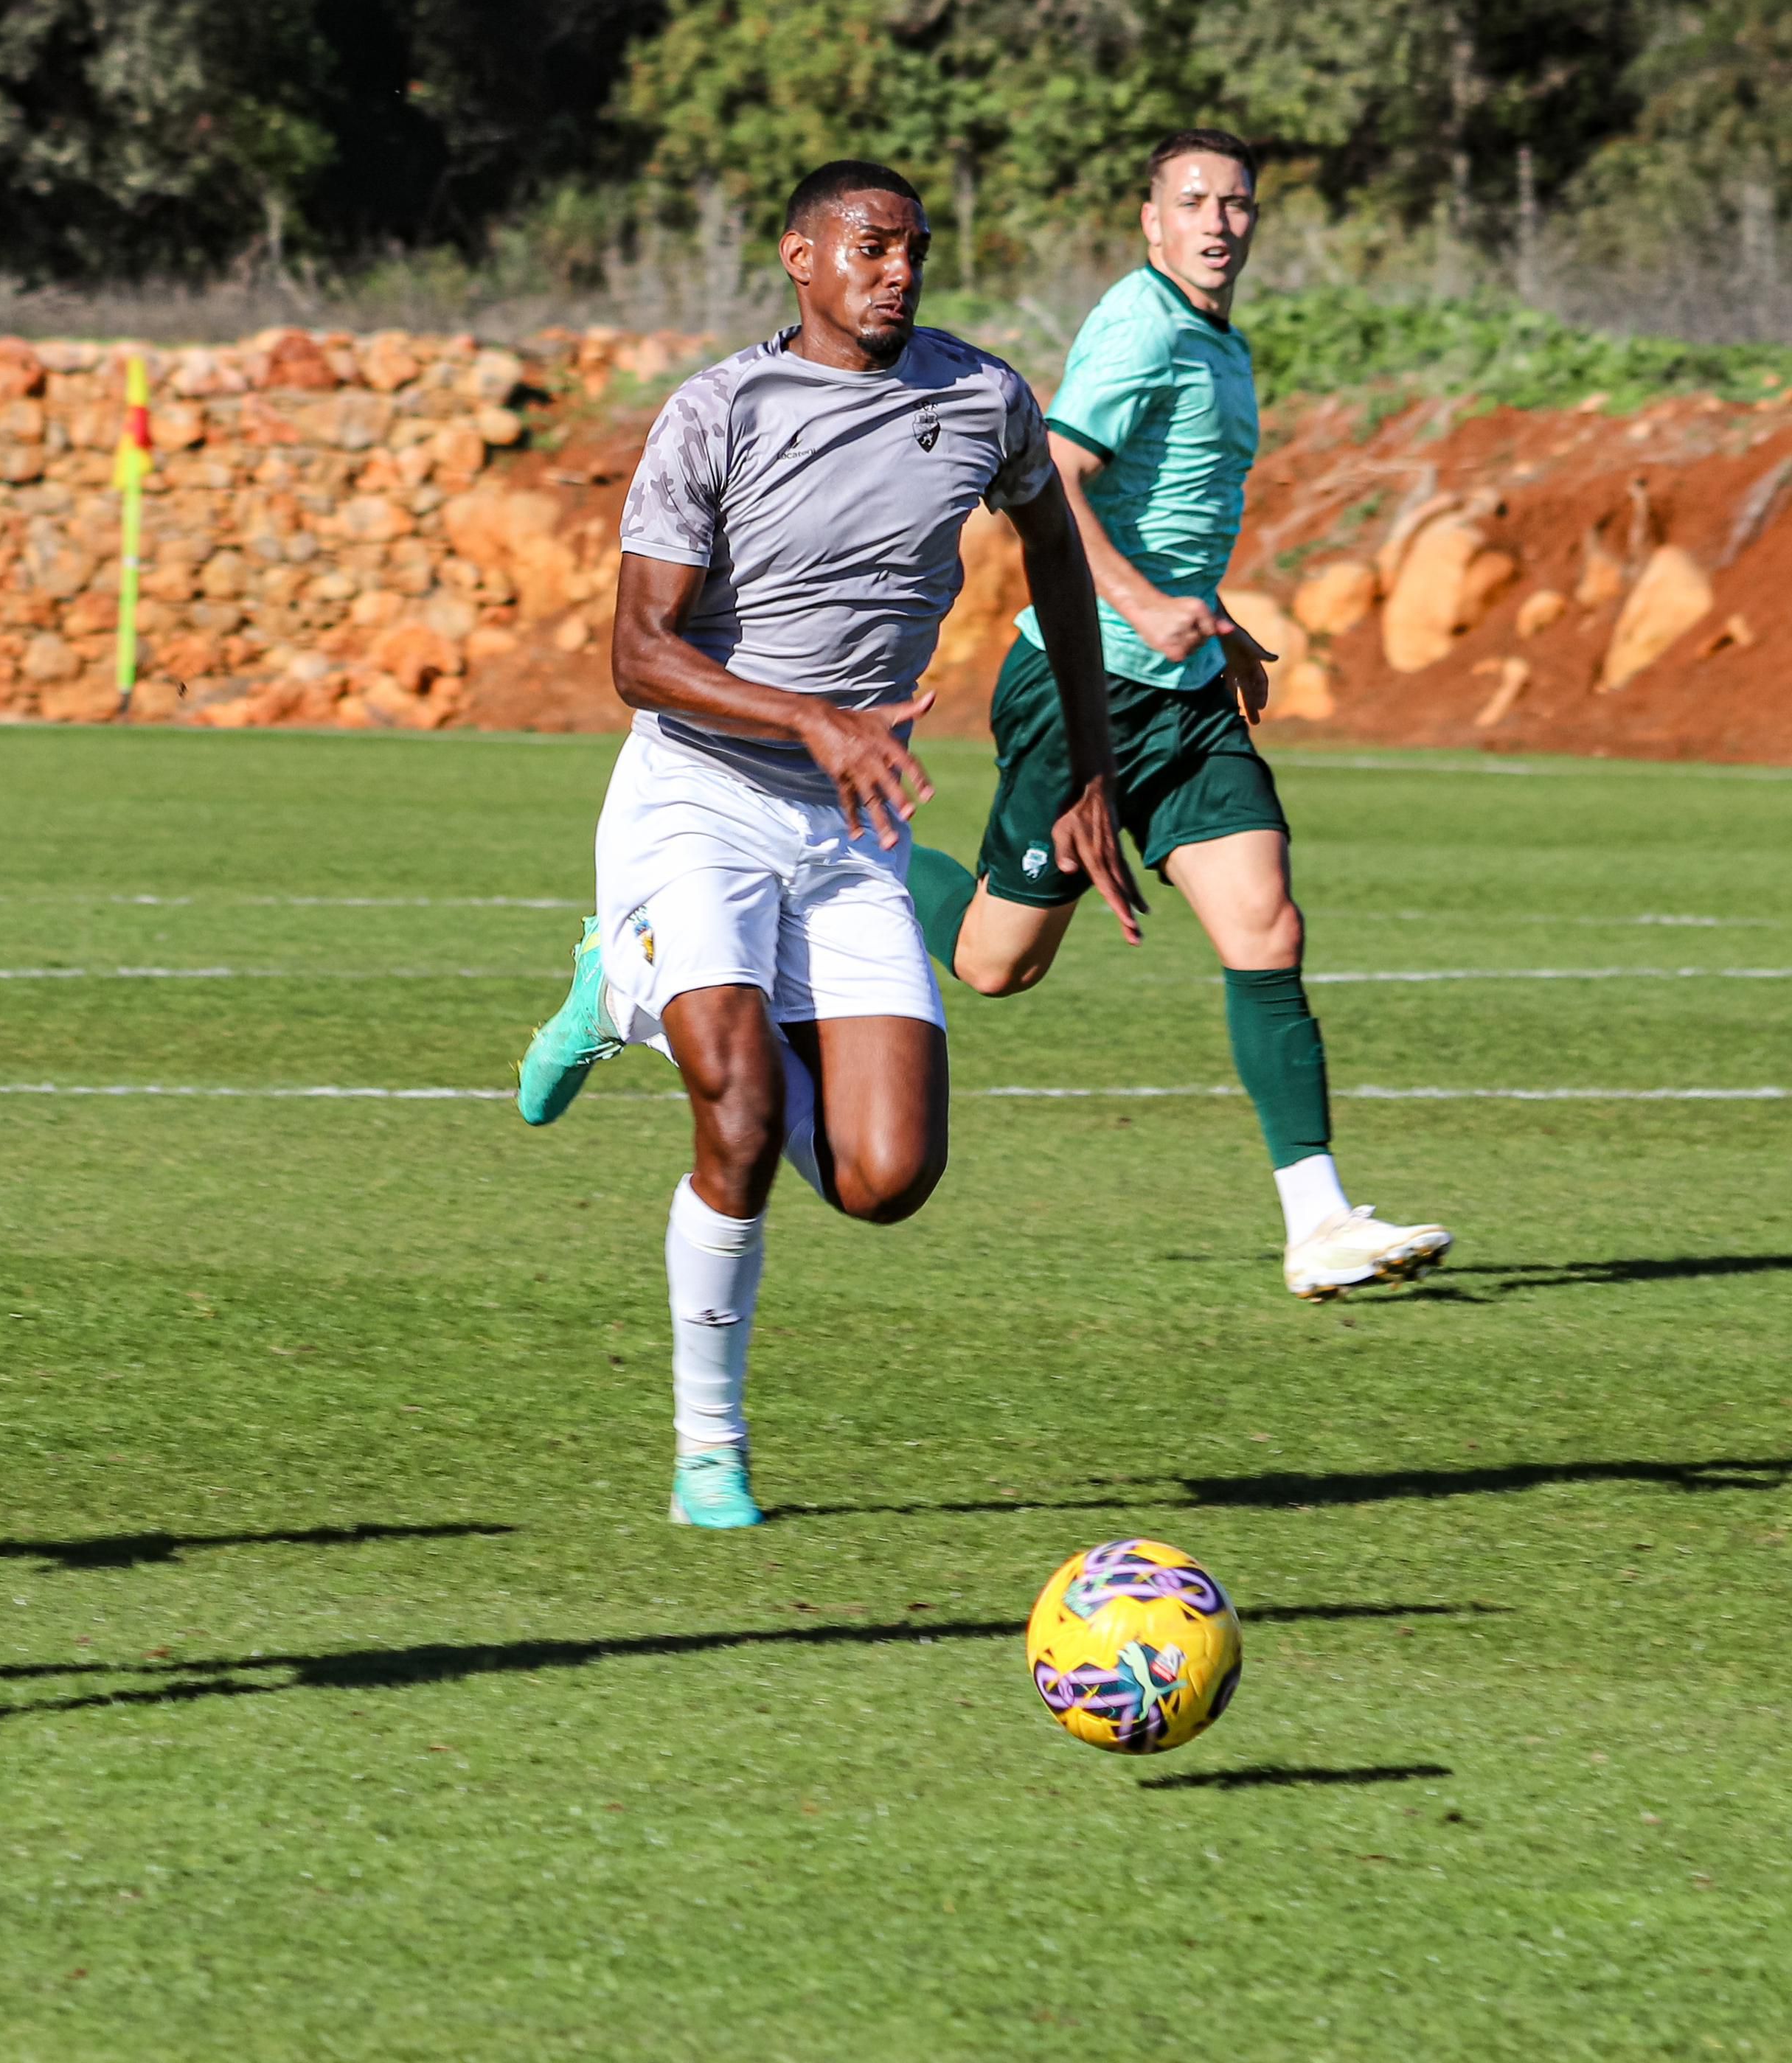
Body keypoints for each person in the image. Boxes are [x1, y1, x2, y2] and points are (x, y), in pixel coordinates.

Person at [510, 161, 1135, 1528]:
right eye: (870, 246)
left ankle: (627, 986)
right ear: (802, 258)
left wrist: (1094, 768)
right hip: (700, 797)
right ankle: (709, 1444)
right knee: (734, 1110)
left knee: (885, 1177)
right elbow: (637, 653)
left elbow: (1059, 557)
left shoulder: (982, 398)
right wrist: (818, 718)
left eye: (913, 247)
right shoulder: (719, 410)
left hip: (853, 818)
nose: (898, 270)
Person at [900, 130, 1453, 1303]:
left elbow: (1172, 513)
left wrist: (1212, 620)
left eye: (1237, 203)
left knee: (1268, 927)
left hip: (1185, 695)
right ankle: (855, 855)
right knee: (999, 967)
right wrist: (1144, 599)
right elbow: (1051, 471)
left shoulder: (1217, 338)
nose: (1217, 220)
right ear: (1151, 220)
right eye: (1192, 201)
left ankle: (1319, 1221)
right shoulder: (1143, 321)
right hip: (1079, 688)